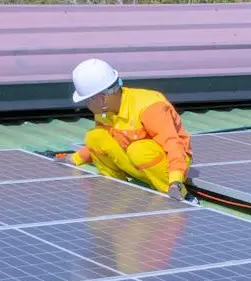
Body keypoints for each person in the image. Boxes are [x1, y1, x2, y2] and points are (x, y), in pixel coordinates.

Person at [64, 58, 193, 199]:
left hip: (170, 167)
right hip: (137, 164)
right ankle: (117, 189)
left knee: (138, 149)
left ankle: (180, 197)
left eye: (88, 100)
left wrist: (176, 181)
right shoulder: (104, 112)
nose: (86, 104)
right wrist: (75, 158)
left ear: (103, 98)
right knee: (95, 137)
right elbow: (103, 145)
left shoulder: (149, 106)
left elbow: (173, 145)